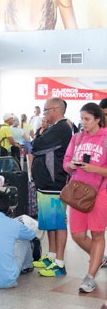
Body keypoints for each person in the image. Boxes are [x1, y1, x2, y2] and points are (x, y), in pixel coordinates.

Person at [63, 103, 107, 293]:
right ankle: (99, 258)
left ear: (98, 119)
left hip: (100, 191)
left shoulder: (106, 138)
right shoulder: (77, 137)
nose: (83, 123)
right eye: (81, 118)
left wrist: (94, 169)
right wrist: (71, 165)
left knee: (97, 233)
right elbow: (65, 162)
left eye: (87, 119)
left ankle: (90, 276)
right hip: (78, 191)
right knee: (77, 235)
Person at [31, 98, 72, 277]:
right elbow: (37, 143)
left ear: (55, 110)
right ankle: (51, 255)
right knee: (49, 223)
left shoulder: (62, 128)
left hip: (55, 183)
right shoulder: (53, 128)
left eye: (46, 110)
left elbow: (37, 145)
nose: (44, 114)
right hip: (45, 183)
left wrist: (40, 134)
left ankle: (59, 264)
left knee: (58, 223)